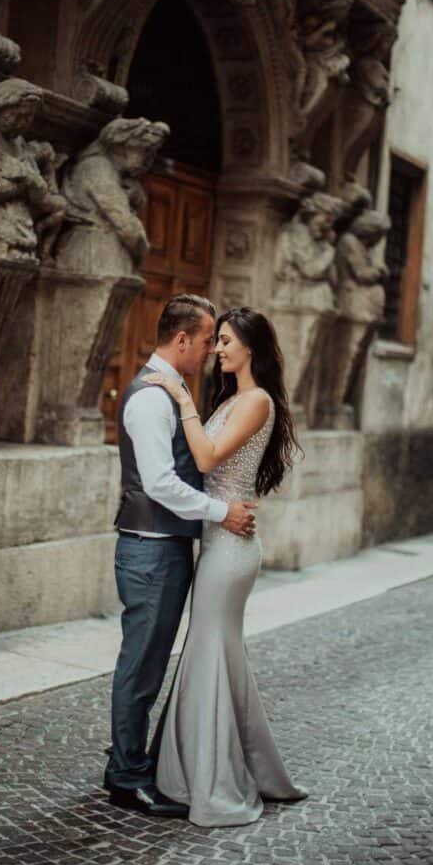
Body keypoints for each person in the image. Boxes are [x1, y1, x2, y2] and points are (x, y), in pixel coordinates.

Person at [144, 307, 308, 827]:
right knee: (218, 652)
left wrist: (180, 400)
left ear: (251, 348)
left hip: (233, 549)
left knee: (209, 651)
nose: (217, 349)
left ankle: (209, 781)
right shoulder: (234, 399)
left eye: (227, 341)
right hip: (218, 537)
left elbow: (211, 459)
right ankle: (243, 767)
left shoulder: (257, 401)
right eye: (216, 341)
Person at [104, 294, 258, 818]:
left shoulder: (174, 395)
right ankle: (125, 778)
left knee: (147, 663)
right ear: (184, 339)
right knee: (141, 666)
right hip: (150, 551)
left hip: (166, 548)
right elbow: (161, 483)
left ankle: (127, 761)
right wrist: (221, 512)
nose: (213, 348)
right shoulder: (151, 399)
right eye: (209, 338)